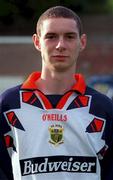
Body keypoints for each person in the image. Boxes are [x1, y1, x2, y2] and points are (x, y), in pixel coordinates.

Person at [0, 6, 113, 180]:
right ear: (37, 42)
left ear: (82, 42)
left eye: (69, 36)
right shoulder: (9, 105)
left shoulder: (102, 108)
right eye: (51, 37)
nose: (60, 45)